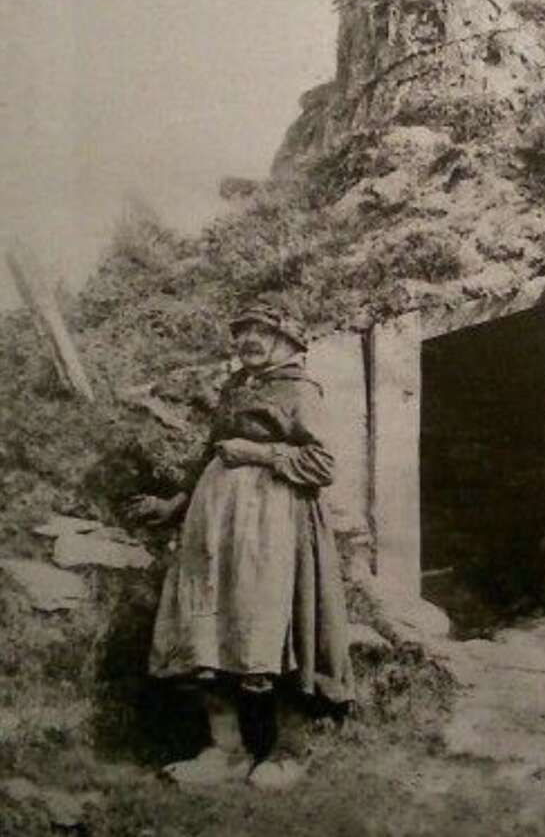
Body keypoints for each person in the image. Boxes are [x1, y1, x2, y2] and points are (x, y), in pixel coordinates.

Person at [126, 297, 354, 789]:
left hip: (274, 525)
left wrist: (258, 452)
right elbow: (208, 451)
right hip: (215, 526)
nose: (248, 339)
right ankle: (225, 750)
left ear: (287, 340)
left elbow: (322, 464)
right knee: (206, 627)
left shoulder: (300, 391)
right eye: (242, 331)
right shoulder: (235, 388)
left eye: (260, 331)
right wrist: (175, 504)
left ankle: (288, 752)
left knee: (274, 628)